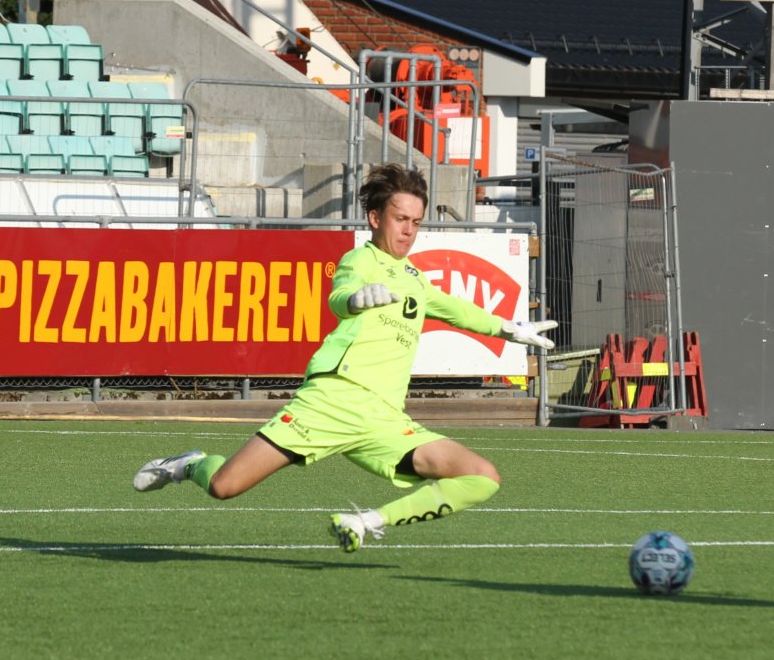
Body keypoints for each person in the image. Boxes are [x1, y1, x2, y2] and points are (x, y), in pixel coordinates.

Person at [132, 163, 557, 552]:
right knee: (225, 486)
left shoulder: (413, 278)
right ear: (376, 219)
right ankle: (190, 465)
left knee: (483, 476)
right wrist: (356, 299)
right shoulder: (361, 259)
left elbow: (457, 309)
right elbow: (338, 297)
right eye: (400, 219)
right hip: (332, 401)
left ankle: (367, 521)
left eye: (416, 222)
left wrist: (509, 329)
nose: (409, 230)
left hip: (384, 419)